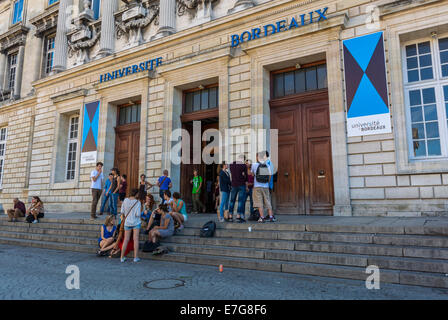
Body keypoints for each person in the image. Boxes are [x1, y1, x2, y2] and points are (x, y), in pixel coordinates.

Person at [251, 151, 276, 223]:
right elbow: (270, 175)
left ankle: (262, 217)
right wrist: (267, 182)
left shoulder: (254, 165)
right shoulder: (267, 165)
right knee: (268, 201)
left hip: (257, 186)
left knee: (259, 202)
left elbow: (252, 174)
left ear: (257, 157)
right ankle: (271, 217)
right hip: (265, 186)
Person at [120, 189, 142, 263]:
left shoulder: (125, 200)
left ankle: (122, 257)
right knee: (135, 239)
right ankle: (135, 257)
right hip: (136, 222)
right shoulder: (138, 202)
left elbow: (122, 212)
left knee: (126, 239)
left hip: (127, 222)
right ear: (136, 194)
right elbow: (137, 214)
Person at [229, 154, 248, 223]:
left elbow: (231, 174)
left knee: (232, 200)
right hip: (241, 185)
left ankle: (230, 216)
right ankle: (238, 216)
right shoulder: (243, 166)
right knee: (240, 201)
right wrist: (243, 175)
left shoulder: (231, 165)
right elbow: (246, 177)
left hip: (234, 185)